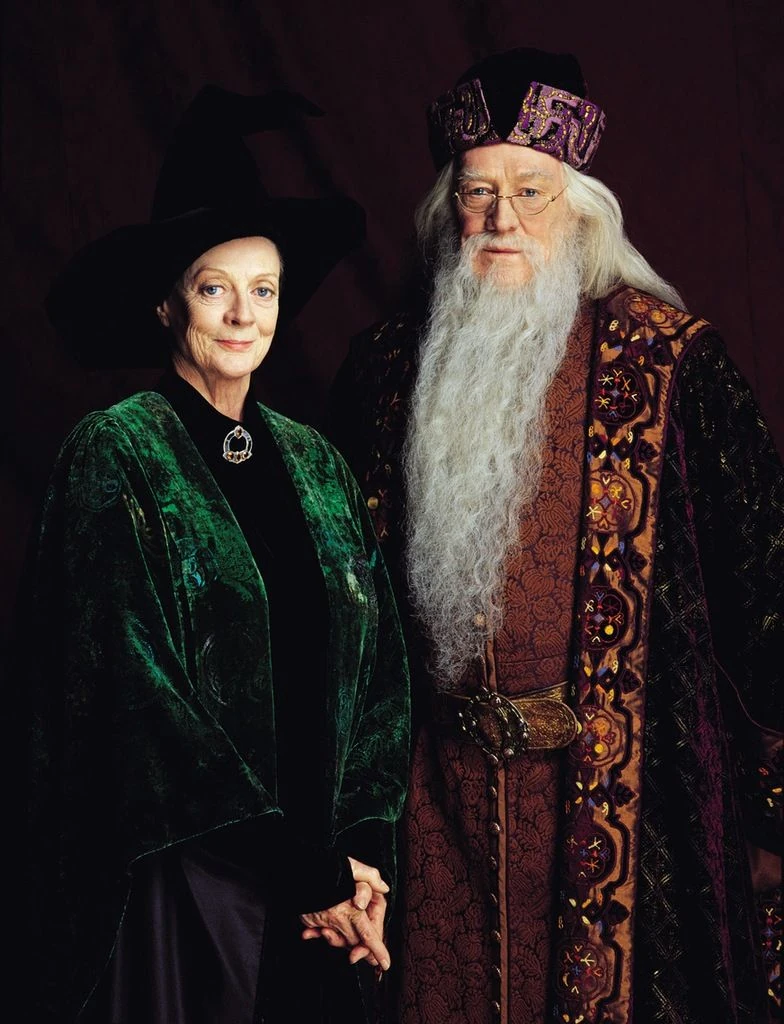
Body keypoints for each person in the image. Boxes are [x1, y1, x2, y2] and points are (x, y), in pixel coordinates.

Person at [330, 49, 782, 1024]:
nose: (503, 219)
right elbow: (341, 616)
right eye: (477, 192)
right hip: (433, 812)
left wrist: (771, 817)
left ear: (580, 210)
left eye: (530, 192)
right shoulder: (383, 370)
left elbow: (767, 597)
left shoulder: (672, 365)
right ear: (448, 208)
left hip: (628, 810)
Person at [10, 86, 410, 1024]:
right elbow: (131, 699)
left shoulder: (316, 463)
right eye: (212, 287)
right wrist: (302, 871)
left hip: (325, 896)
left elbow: (381, 677)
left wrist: (359, 857)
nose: (241, 314)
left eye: (262, 289)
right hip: (193, 894)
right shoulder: (117, 453)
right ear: (165, 302)